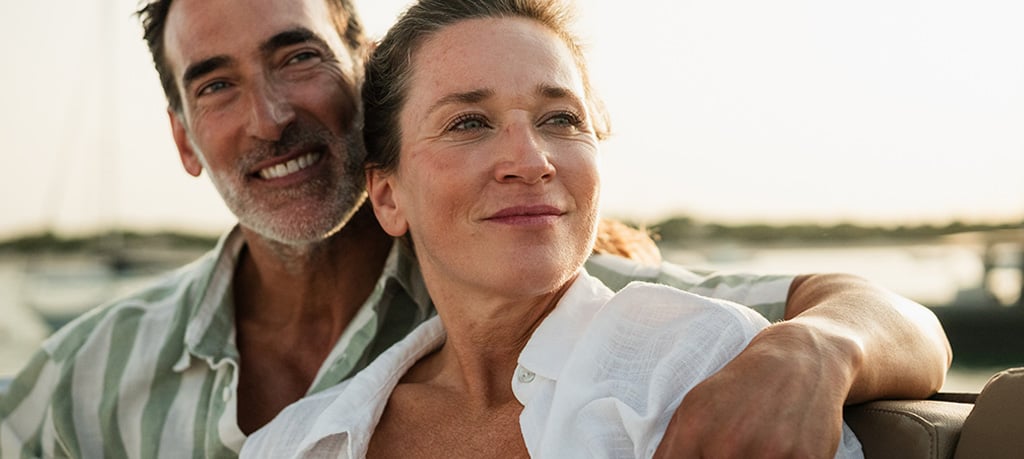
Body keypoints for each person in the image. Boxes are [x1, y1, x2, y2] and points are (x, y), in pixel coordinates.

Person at [0, 0, 950, 457]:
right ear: (183, 139)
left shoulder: (553, 287)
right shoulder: (94, 368)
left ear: (362, 72)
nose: (269, 116)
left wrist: (814, 351)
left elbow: (882, 316)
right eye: (215, 84)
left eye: (297, 57)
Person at [240, 0, 864, 456]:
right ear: (387, 195)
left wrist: (818, 345)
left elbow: (867, 313)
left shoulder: (698, 362)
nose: (531, 161)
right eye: (468, 123)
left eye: (561, 118)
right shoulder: (294, 444)